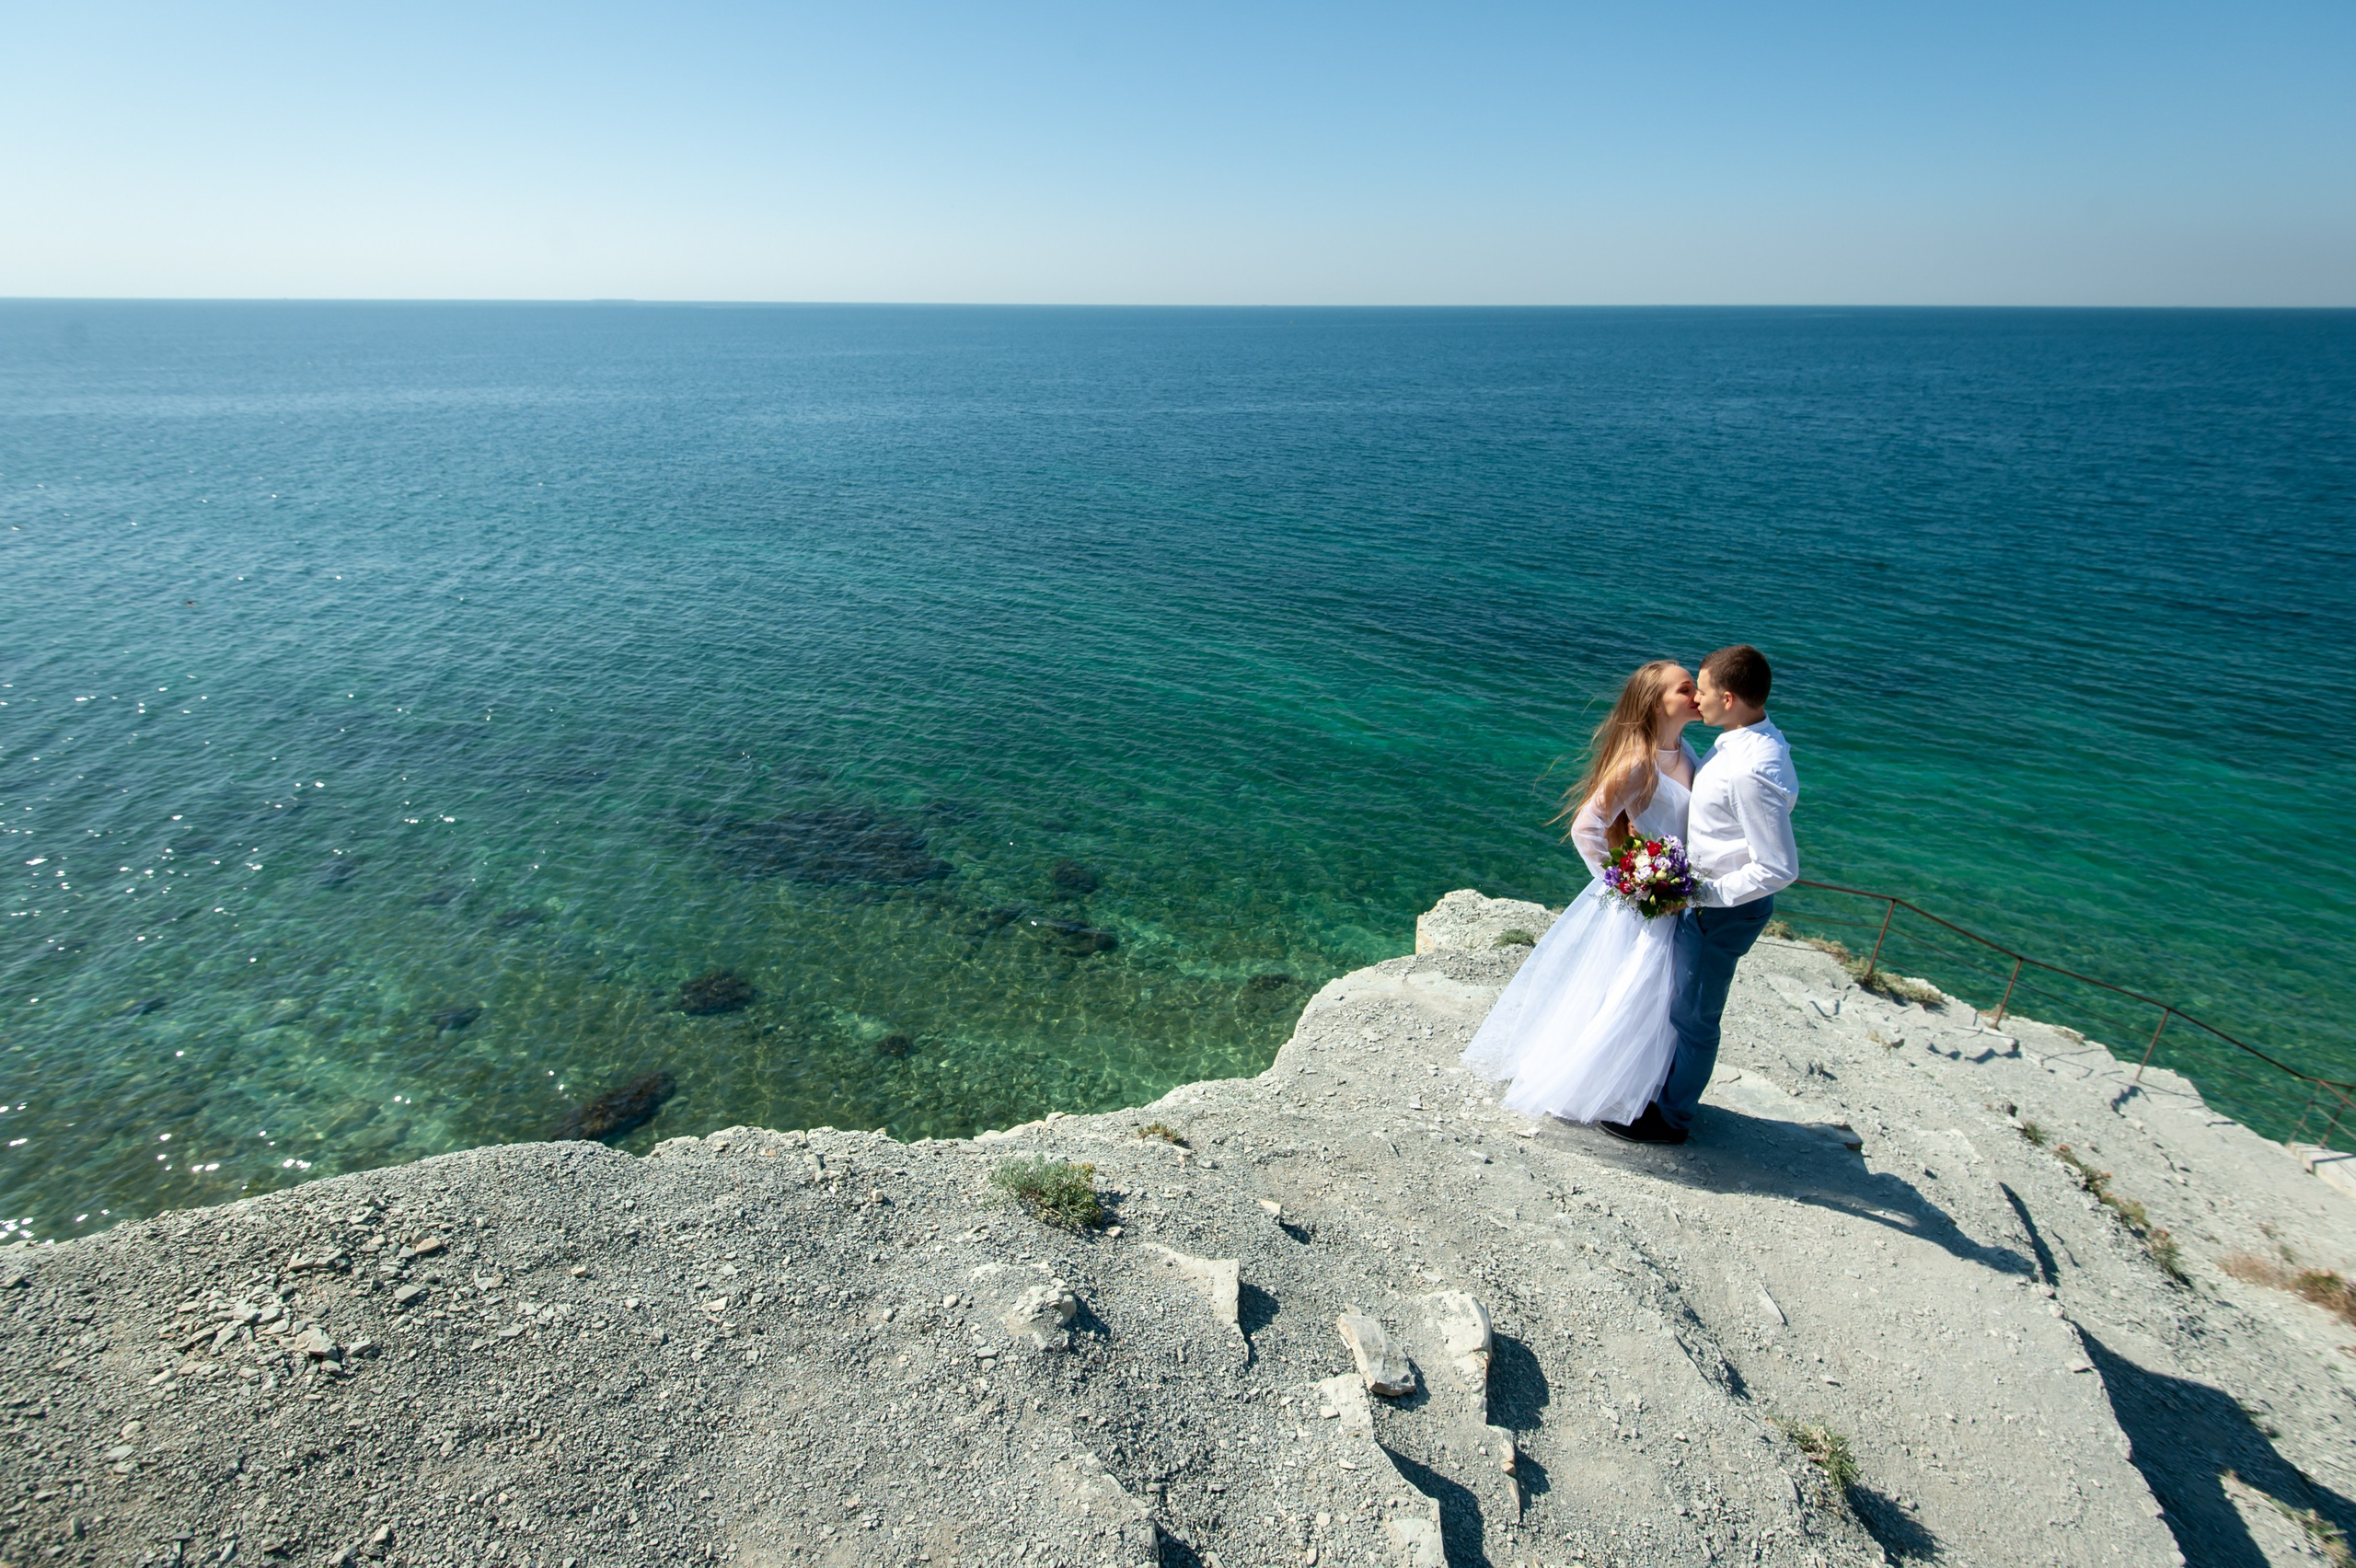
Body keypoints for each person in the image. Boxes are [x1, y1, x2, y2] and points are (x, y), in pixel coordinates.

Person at [1461, 660, 1704, 1125]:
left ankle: (1635, 1087)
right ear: (1657, 702)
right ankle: (1597, 1087)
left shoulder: (1685, 749)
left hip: (1672, 899)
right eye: (1685, 688)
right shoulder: (1639, 762)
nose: (1696, 694)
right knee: (1633, 994)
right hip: (1647, 905)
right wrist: (1628, 883)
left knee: (1653, 999)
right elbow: (1586, 826)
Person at [1601, 643, 1799, 1146]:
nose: (1698, 700)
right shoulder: (1741, 739)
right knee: (1683, 1007)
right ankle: (1667, 1095)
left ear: (1728, 698)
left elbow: (1778, 866)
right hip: (1708, 904)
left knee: (1694, 1017)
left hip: (1721, 911)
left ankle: (1672, 1120)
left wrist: (1698, 893)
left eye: (1704, 691)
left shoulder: (1749, 767)